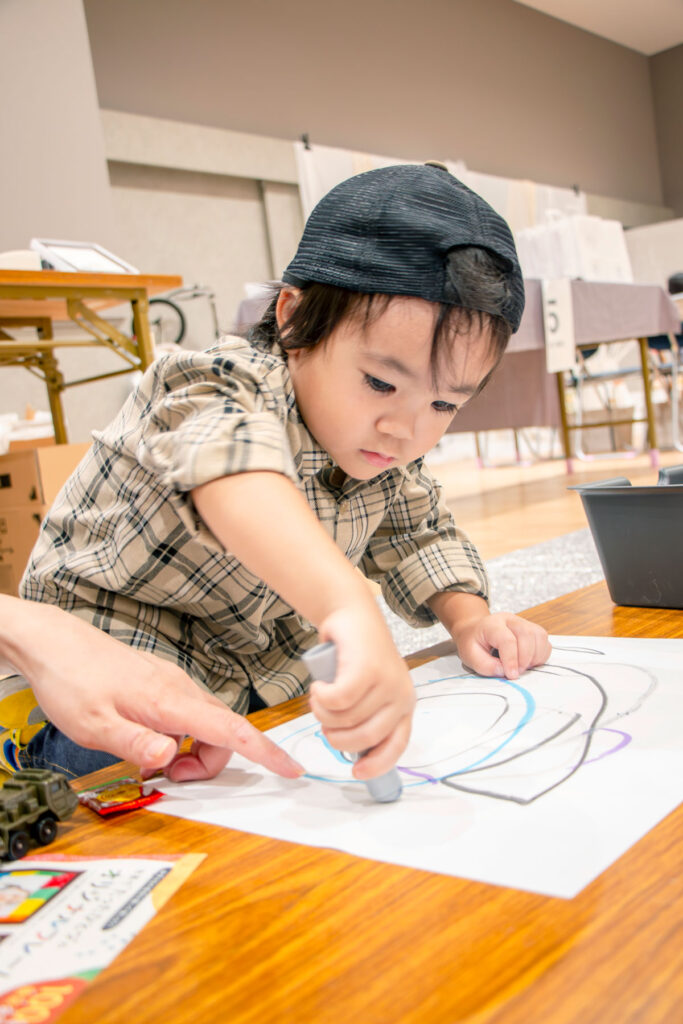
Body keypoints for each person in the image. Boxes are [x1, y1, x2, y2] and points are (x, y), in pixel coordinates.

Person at [12, 162, 551, 782]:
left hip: (263, 668)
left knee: (317, 751)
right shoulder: (212, 382)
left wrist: (469, 617)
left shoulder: (381, 448)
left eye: (444, 404)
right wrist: (348, 606)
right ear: (294, 319)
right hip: (116, 656)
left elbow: (417, 532)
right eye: (380, 382)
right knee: (130, 768)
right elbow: (232, 471)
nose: (407, 430)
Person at [0, 593, 305, 781]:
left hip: (256, 660)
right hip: (117, 619)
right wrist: (38, 634)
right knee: (119, 754)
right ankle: (24, 749)